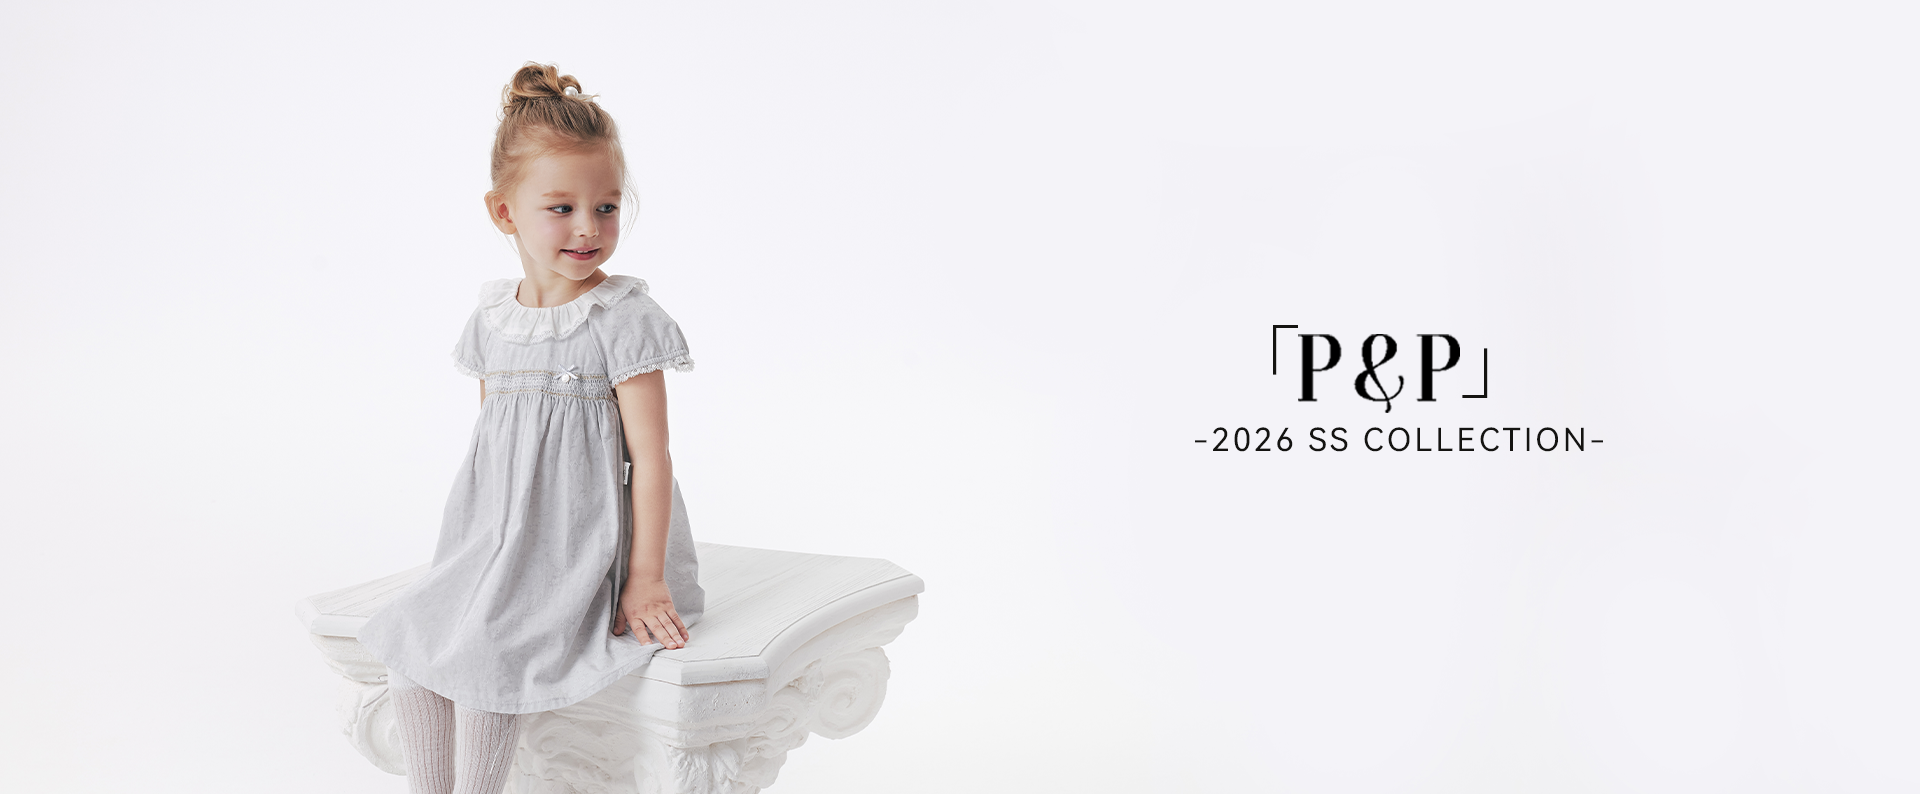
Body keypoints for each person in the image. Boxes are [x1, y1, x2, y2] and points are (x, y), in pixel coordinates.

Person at [355, 61, 707, 794]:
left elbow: (652, 457)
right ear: (504, 212)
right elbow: (497, 449)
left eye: (606, 207)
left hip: (584, 543)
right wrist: (480, 555)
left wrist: (645, 579)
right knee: (413, 637)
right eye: (561, 207)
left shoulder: (624, 319)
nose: (588, 228)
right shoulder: (493, 320)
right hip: (498, 537)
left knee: (488, 654)